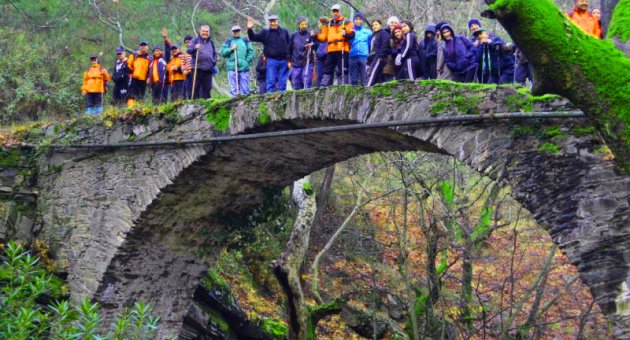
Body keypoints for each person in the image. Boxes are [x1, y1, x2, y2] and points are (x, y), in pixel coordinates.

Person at [248, 15, 290, 93]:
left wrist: (289, 59)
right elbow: (253, 37)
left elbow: (289, 45)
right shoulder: (265, 33)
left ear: (277, 22)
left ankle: (281, 99)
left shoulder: (284, 32)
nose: (272, 23)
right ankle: (270, 100)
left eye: (274, 21)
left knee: (282, 82)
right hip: (271, 61)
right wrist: (250, 29)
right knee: (271, 81)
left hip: (284, 60)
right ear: (269, 22)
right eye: (271, 21)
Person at [315, 4, 355, 86]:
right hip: (331, 50)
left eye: (337, 11)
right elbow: (324, 37)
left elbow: (352, 34)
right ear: (332, 13)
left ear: (340, 11)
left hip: (342, 49)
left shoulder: (346, 22)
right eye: (334, 11)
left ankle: (343, 85)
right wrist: (316, 35)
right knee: (327, 68)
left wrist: (345, 34)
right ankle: (324, 85)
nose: (335, 13)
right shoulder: (329, 24)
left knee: (342, 69)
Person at [221, 25, 255, 96]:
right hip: (232, 68)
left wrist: (246, 62)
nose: (236, 32)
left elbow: (251, 52)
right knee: (233, 89)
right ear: (232, 32)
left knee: (245, 89)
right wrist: (230, 49)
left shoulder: (245, 40)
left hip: (244, 68)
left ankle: (244, 105)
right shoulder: (228, 41)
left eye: (237, 31)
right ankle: (234, 104)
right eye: (234, 31)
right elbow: (222, 52)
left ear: (240, 31)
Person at [187, 25, 218, 99]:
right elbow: (188, 51)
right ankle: (193, 103)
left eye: (207, 31)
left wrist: (213, 62)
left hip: (208, 69)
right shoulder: (195, 40)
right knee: (194, 88)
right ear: (200, 32)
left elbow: (215, 53)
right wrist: (195, 47)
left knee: (207, 89)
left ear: (209, 33)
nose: (205, 33)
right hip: (197, 68)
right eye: (203, 31)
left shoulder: (211, 42)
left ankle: (206, 105)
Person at [289, 16, 318, 89]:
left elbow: (316, 46)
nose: (304, 26)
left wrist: (313, 42)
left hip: (307, 62)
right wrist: (289, 61)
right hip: (295, 63)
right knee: (296, 83)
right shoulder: (293, 35)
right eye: (302, 24)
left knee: (306, 81)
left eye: (305, 24)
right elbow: (289, 49)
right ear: (299, 25)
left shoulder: (310, 34)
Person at [348, 13, 372, 86]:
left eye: (360, 19)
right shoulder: (350, 31)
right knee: (354, 79)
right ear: (354, 21)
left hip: (364, 56)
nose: (358, 21)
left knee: (364, 77)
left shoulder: (368, 32)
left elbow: (370, 44)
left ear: (363, 21)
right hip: (352, 56)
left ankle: (366, 96)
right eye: (356, 19)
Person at [366, 19, 391, 86]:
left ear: (380, 25)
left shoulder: (384, 33)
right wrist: (368, 61)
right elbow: (371, 49)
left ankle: (367, 88)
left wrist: (381, 56)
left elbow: (385, 45)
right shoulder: (373, 35)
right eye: (373, 25)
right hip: (373, 58)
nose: (374, 26)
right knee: (378, 76)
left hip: (380, 57)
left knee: (372, 72)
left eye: (376, 25)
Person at [126, 41, 151, 106]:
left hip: (143, 80)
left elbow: (150, 69)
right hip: (134, 78)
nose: (143, 47)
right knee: (131, 94)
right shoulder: (134, 55)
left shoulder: (149, 58)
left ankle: (139, 109)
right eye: (142, 46)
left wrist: (148, 77)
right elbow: (128, 64)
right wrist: (132, 71)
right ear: (140, 47)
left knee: (141, 95)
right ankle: (130, 109)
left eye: (145, 45)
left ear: (147, 47)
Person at [381, 16, 400, 82]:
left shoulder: (399, 34)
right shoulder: (385, 33)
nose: (393, 24)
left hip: (396, 61)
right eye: (392, 22)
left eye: (395, 23)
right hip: (387, 61)